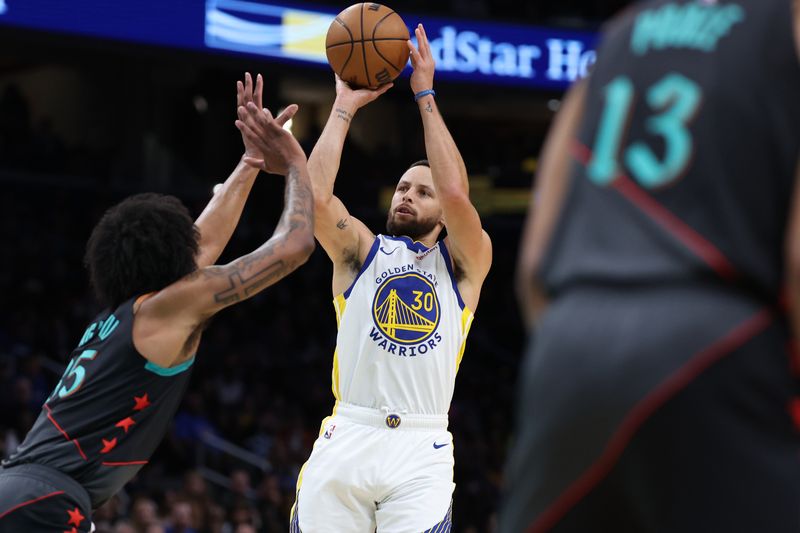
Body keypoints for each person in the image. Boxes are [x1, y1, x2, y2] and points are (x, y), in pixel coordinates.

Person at [503, 1, 800, 531]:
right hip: (716, 344)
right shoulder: (788, 24)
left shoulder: (621, 33)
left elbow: (533, 263)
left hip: (571, 344)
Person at [0, 73, 315, 532]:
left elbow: (199, 248)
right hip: (45, 499)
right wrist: (295, 163)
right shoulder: (159, 312)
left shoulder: (123, 317)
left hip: (19, 489)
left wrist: (249, 161)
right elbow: (294, 246)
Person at [284, 23, 491, 532]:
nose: (406, 196)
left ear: (444, 214)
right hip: (349, 431)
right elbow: (313, 198)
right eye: (402, 187)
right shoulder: (360, 251)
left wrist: (424, 94)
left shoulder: (464, 263)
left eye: (423, 192)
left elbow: (458, 194)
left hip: (420, 447)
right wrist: (343, 107)